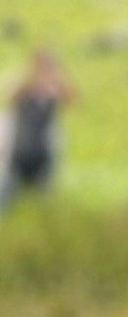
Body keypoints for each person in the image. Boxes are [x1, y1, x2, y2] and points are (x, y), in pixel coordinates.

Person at [6, 48, 76, 206]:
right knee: (8, 196)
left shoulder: (53, 91)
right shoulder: (23, 87)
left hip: (43, 151)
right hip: (20, 151)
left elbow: (73, 99)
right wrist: (30, 79)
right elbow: (10, 96)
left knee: (43, 199)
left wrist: (57, 79)